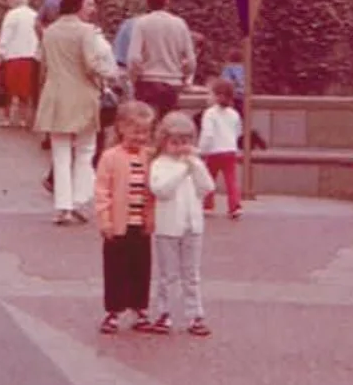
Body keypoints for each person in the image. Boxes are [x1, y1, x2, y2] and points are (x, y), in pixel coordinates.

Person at [35, 0, 115, 225]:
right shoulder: (86, 31)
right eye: (89, 4)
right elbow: (91, 65)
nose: (93, 9)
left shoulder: (49, 32)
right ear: (77, 4)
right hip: (82, 96)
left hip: (55, 96)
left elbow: (43, 64)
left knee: (60, 153)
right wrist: (109, 74)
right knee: (85, 150)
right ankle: (79, 201)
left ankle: (63, 207)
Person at [148, 111, 216, 336]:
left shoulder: (193, 163)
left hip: (193, 227)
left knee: (191, 274)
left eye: (185, 142)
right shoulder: (160, 164)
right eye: (174, 143)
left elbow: (207, 187)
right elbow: (161, 190)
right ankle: (164, 313)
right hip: (167, 228)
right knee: (168, 275)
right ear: (164, 142)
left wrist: (195, 165)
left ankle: (195, 315)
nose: (180, 148)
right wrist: (182, 169)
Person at [96, 100, 157, 334]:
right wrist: (105, 220)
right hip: (118, 224)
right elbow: (102, 191)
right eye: (135, 131)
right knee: (115, 269)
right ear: (121, 128)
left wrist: (151, 218)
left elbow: (153, 193)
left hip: (140, 224)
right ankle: (113, 311)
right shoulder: (110, 157)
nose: (140, 137)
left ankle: (139, 309)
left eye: (145, 132)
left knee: (141, 269)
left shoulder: (149, 156)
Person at [128, 0, 195, 119]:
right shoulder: (180, 24)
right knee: (167, 123)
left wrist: (134, 77)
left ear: (148, 3)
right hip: (173, 83)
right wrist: (184, 75)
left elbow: (134, 58)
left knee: (147, 122)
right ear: (166, 2)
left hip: (147, 82)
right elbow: (191, 60)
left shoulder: (142, 23)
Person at [0, 0, 40, 128]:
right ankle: (23, 118)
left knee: (9, 90)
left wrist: (1, 52)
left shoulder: (11, 15)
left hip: (13, 56)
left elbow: (5, 35)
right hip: (30, 55)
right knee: (26, 90)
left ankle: (7, 117)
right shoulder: (34, 15)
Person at [199, 77, 243, 219]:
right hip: (230, 150)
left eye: (210, 94)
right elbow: (238, 132)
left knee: (209, 178)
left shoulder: (209, 113)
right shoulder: (234, 114)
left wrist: (201, 149)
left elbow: (208, 134)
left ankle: (208, 205)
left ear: (217, 96)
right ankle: (234, 206)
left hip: (214, 151)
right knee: (231, 180)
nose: (208, 97)